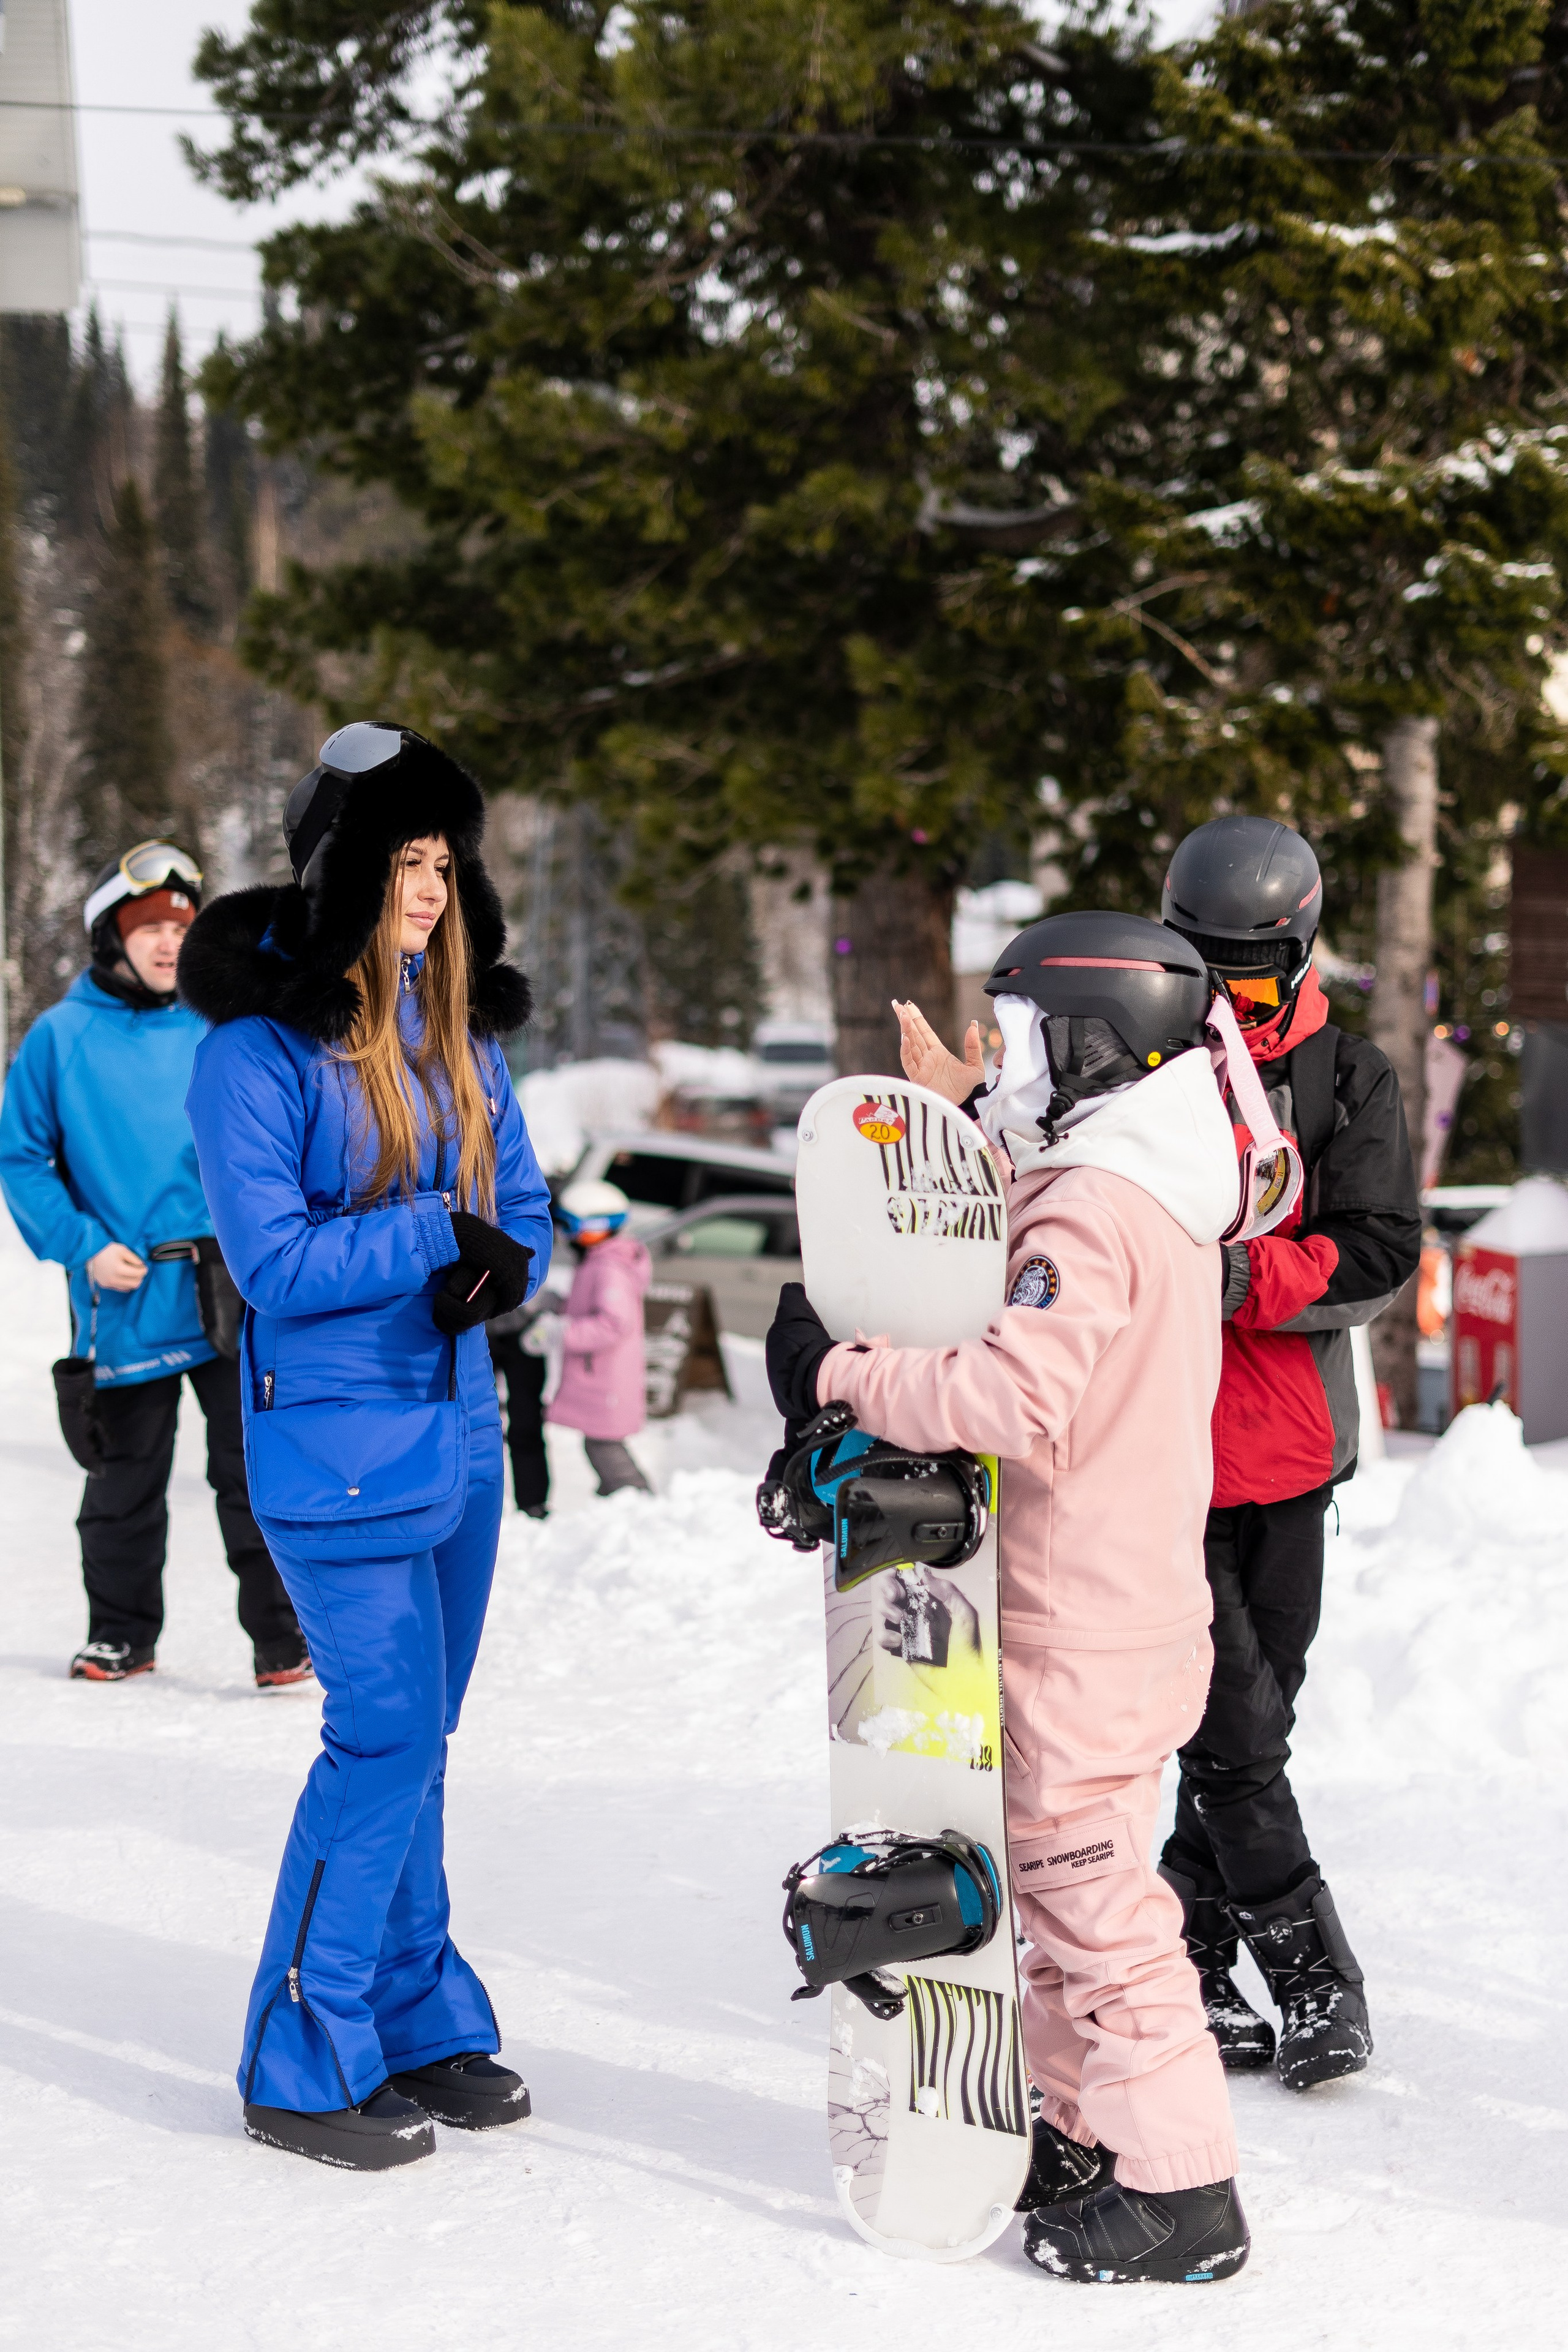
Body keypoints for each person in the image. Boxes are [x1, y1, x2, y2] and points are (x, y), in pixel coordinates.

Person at [767, 913, 1258, 2286]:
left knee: (1096, 1918)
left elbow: (1008, 1392)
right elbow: (1017, 1199)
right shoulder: (1141, 1177)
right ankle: (1081, 2132)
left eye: (1031, 1035)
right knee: (1052, 1900)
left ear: (1091, 1043)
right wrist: (947, 1121)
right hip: (1121, 1606)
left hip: (1074, 1622)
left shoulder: (1092, 1209)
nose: (1017, 1062)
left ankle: (1183, 2193)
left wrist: (843, 1373)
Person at [177, 722, 556, 2172]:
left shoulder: (456, 1038)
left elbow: (513, 1200)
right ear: (342, 870)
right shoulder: (251, 1056)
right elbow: (269, 1261)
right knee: (380, 1732)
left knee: (424, 1742)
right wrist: (427, 1236)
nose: (429, 885)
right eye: (403, 858)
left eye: (444, 859)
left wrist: (501, 1260)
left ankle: (411, 2007)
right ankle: (302, 2043)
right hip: (334, 1439)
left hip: (454, 1425)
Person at [1155, 814, 1420, 2090]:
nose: (1224, 996)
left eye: (1246, 972)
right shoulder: (1140, 1059)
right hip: (1156, 1455)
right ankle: (1316, 1978)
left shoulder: (1345, 1077)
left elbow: (1378, 1250)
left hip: (1291, 1449)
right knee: (1234, 1737)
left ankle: (1182, 1949)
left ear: (1297, 950)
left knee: (1256, 1720)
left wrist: (1245, 1275)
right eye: (1198, 964)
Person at [0, 842, 309, 1688]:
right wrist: (82, 1245)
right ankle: (122, 1633)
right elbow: (20, 1157)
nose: (168, 942)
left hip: (229, 1288)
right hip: (123, 1293)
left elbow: (279, 1137)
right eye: (148, 928)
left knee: (250, 1473)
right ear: (112, 936)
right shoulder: (60, 1037)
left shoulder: (225, 1022)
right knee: (122, 1482)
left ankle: (283, 1638)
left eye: (181, 926)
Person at [538, 1178, 652, 1496]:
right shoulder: (601, 1261)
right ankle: (618, 1495)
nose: (564, 1235)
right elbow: (592, 1308)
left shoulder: (609, 1268)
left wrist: (560, 1333)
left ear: (592, 1227)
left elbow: (614, 1323)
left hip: (606, 1378)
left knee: (604, 1445)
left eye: (569, 1226)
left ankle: (634, 1496)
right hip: (602, 1375)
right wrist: (558, 1306)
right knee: (598, 1442)